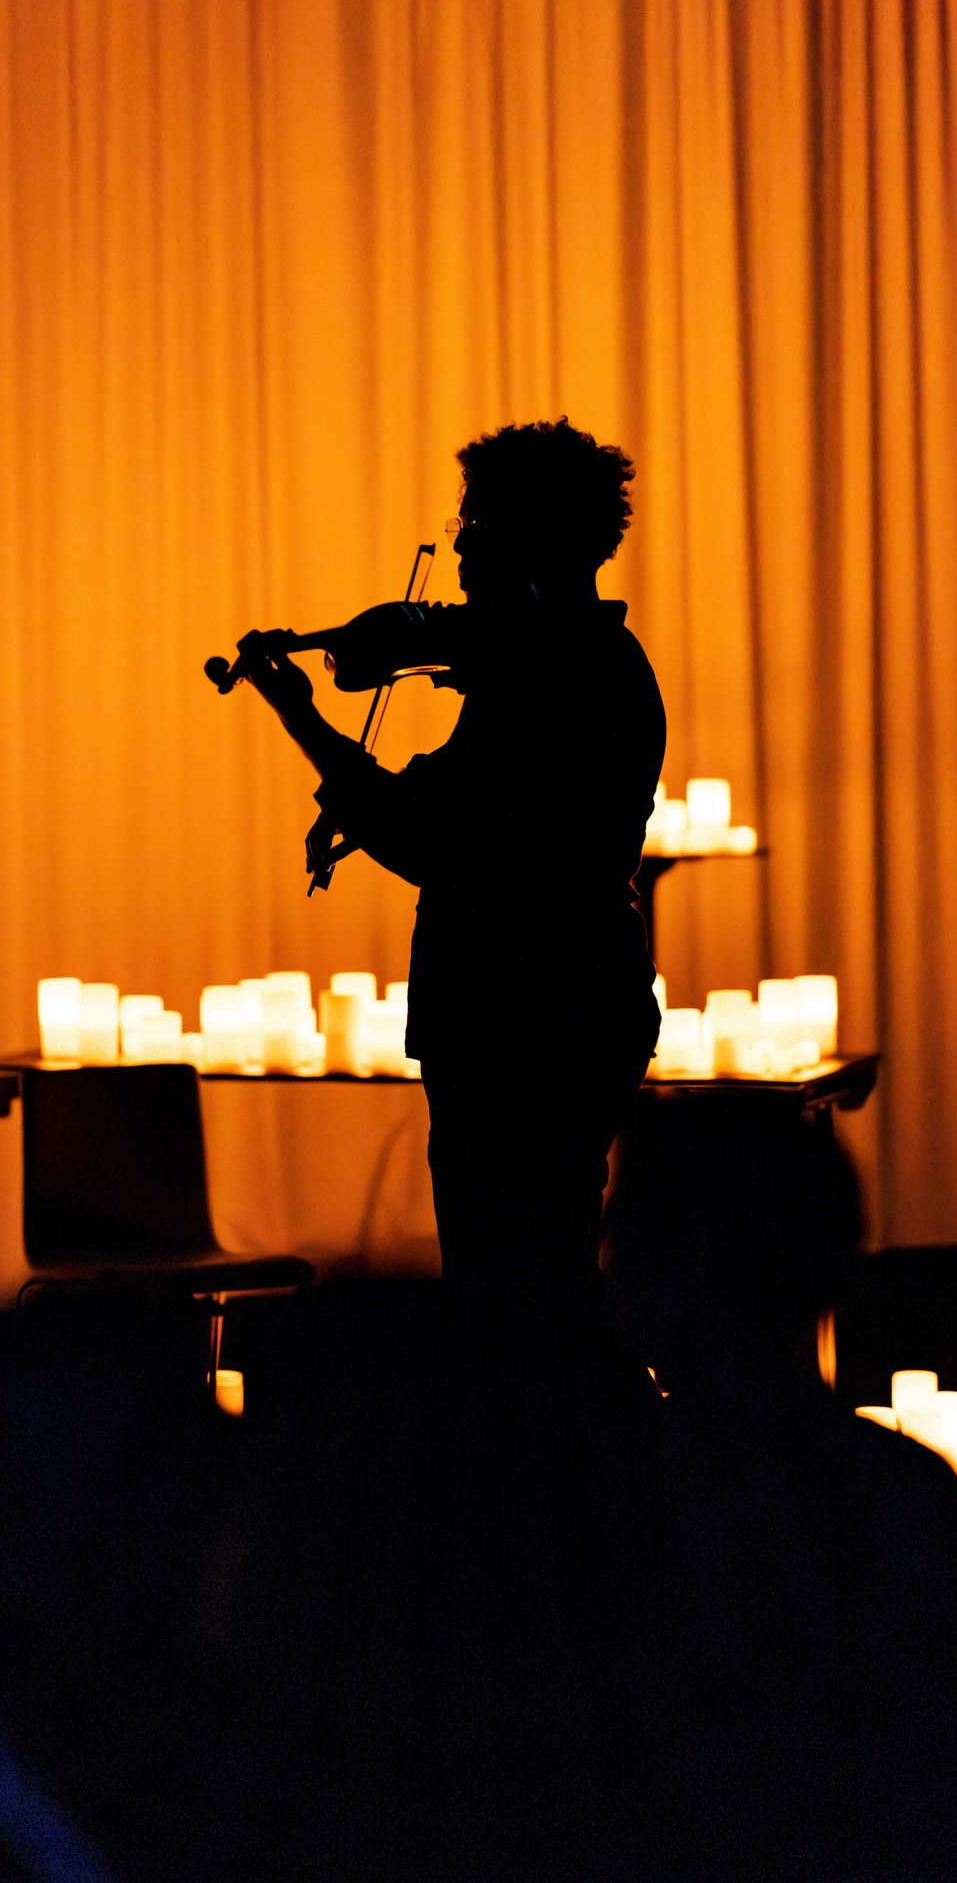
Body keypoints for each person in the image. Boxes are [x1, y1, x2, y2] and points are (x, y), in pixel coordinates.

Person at [231, 417, 666, 1307]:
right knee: (540, 1274)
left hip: (522, 1017)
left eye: (478, 528)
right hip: (569, 1005)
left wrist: (303, 720)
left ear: (528, 538)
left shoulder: (555, 681)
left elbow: (431, 835)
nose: (461, 553)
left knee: (514, 1288)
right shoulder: (585, 664)